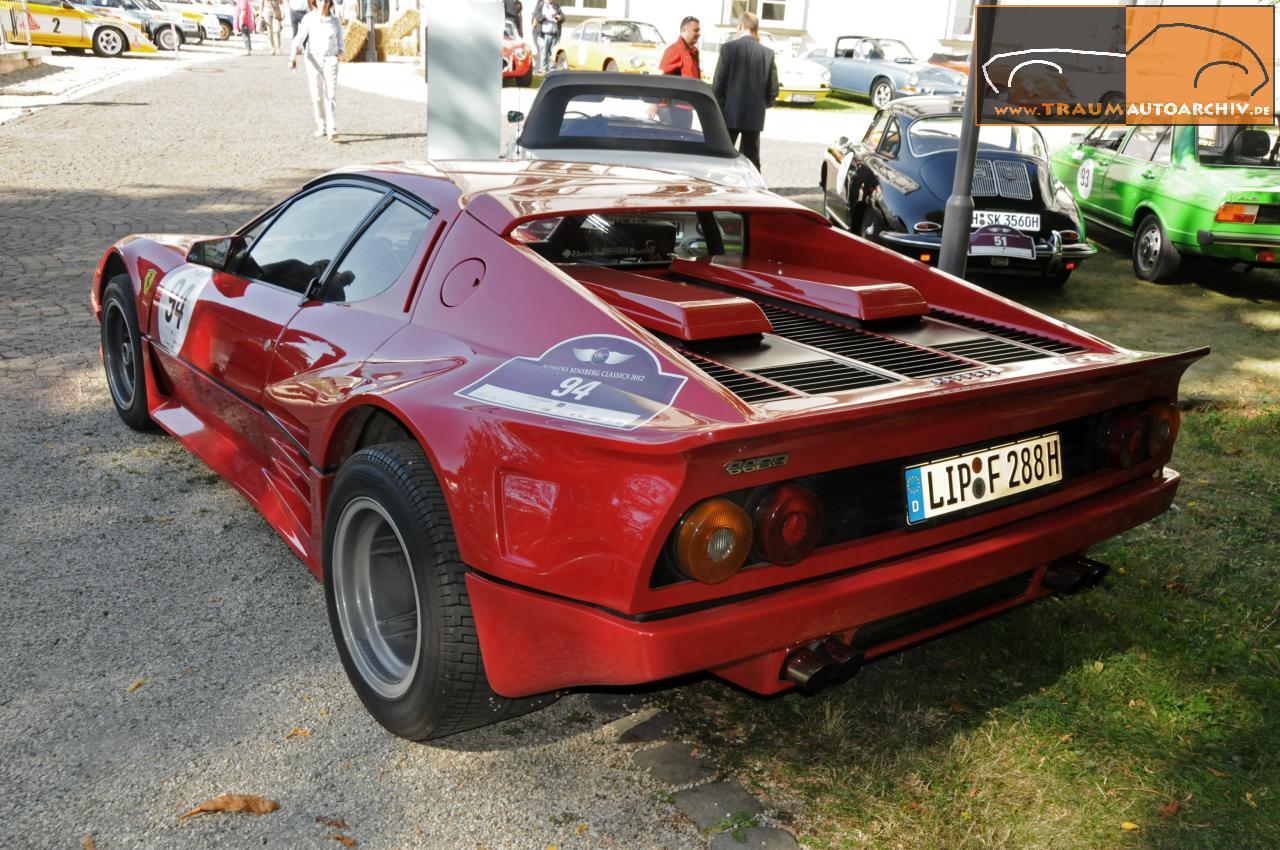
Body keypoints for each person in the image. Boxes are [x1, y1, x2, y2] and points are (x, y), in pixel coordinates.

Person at [711, 12, 778, 171]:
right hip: (754, 115)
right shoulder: (767, 53)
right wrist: (762, 105)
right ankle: (753, 190)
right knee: (751, 158)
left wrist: (719, 108)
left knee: (724, 155)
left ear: (741, 25)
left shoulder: (728, 48)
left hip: (729, 113)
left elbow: (718, 84)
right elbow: (773, 88)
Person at [289, 0, 344, 140]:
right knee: (317, 96)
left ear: (329, 3)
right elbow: (299, 38)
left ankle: (332, 127)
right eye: (320, 0)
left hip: (330, 59)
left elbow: (340, 43)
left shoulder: (335, 21)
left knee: (330, 93)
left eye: (326, 0)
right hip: (312, 59)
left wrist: (339, 54)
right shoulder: (309, 19)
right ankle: (322, 125)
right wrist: (292, 57)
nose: (323, 3)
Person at [533, 0, 563, 74]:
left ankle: (552, 69)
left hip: (554, 34)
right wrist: (545, 17)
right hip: (544, 34)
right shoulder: (540, 5)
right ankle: (543, 69)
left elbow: (563, 17)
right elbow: (537, 16)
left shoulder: (556, 6)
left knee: (553, 53)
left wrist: (559, 17)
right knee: (544, 52)